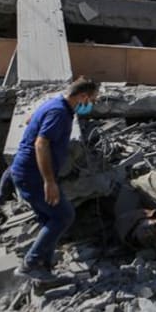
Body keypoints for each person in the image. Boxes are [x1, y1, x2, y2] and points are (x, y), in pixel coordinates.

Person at [11, 77, 100, 282]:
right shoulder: (59, 113)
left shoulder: (55, 104)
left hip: (28, 172)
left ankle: (45, 268)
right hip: (32, 175)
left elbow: (30, 119)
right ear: (83, 97)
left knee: (49, 218)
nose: (91, 105)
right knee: (63, 216)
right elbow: (41, 144)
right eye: (92, 100)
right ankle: (30, 265)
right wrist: (49, 182)